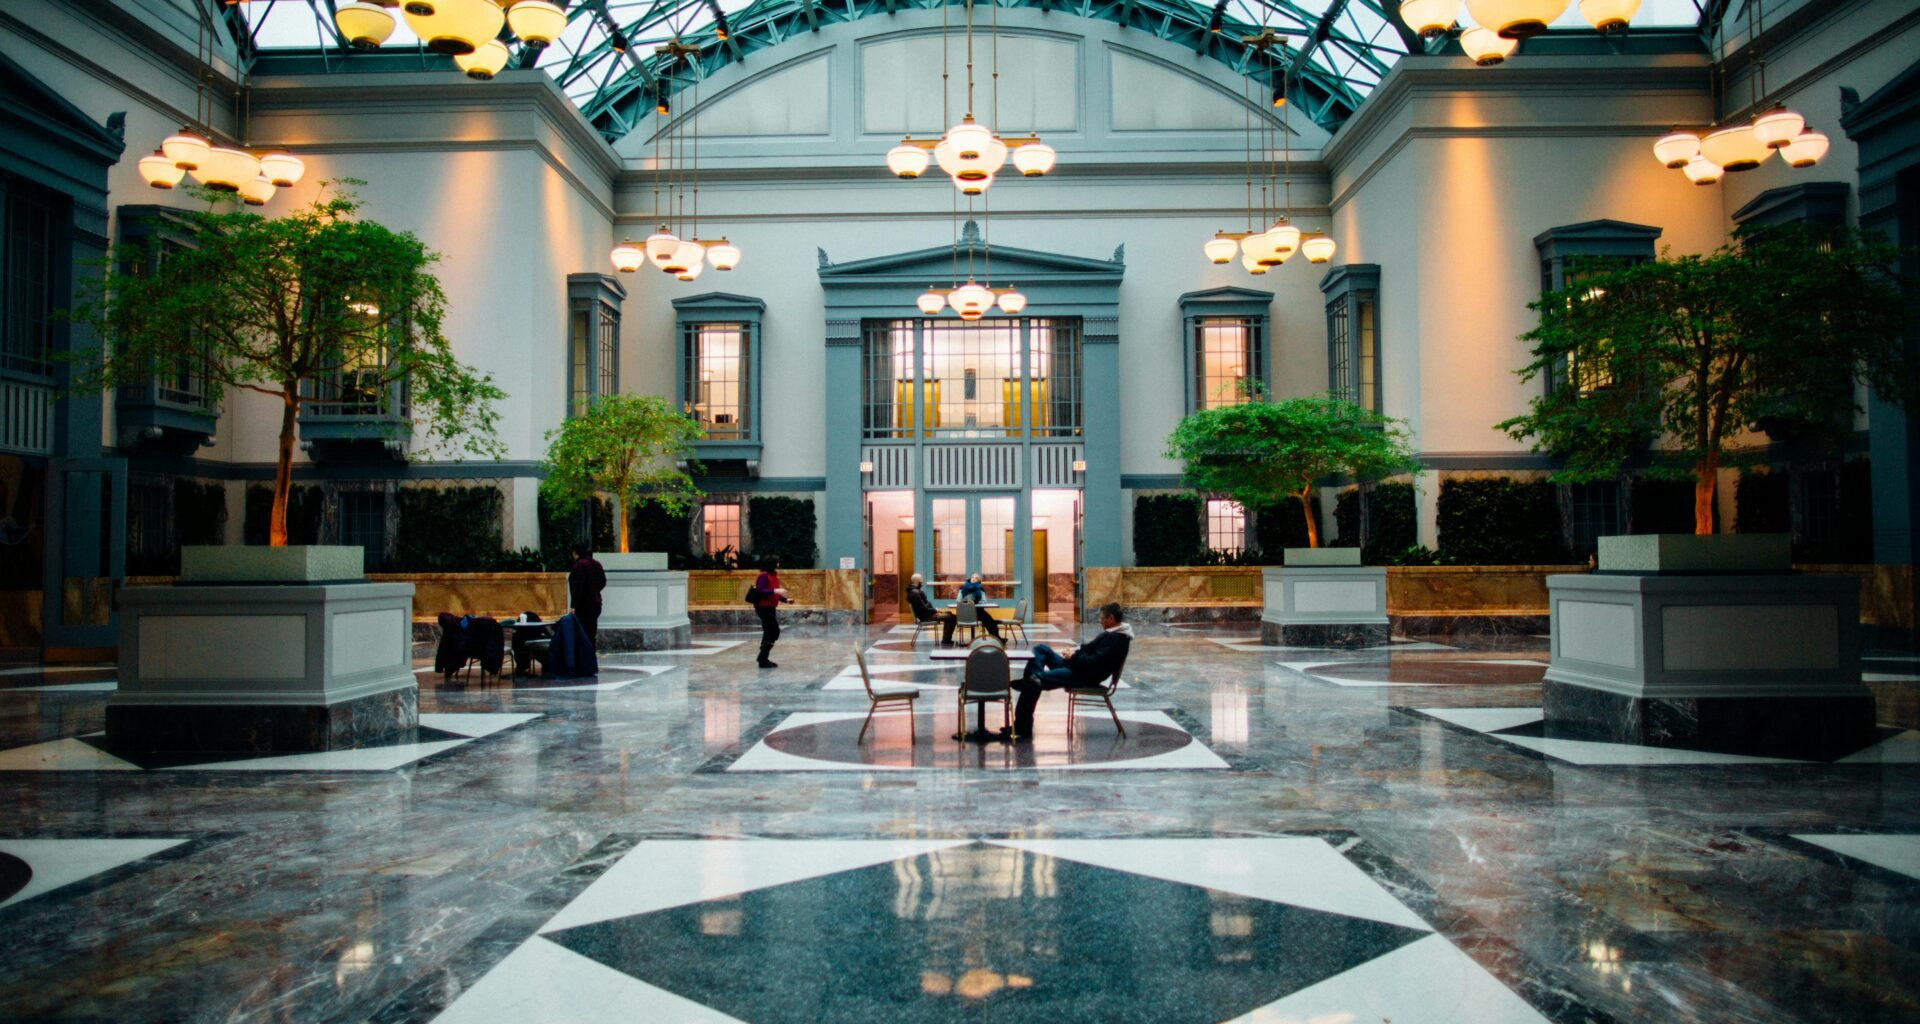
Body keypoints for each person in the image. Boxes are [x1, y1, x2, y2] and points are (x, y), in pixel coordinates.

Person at [1009, 602, 1133, 740]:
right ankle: (1034, 678)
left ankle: (1022, 725)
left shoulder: (1117, 640)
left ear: (1111, 618)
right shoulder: (1113, 634)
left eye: (1102, 618)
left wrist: (1074, 656)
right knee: (1041, 649)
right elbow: (1088, 651)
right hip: (1076, 667)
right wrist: (1074, 653)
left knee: (1034, 683)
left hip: (1083, 676)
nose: (1100, 621)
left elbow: (1094, 664)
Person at [905, 573, 1002, 647]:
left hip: (928, 614)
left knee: (951, 615)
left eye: (976, 578)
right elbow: (924, 608)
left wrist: (934, 610)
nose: (922, 583)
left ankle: (947, 639)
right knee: (952, 617)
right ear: (918, 582)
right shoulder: (915, 593)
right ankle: (946, 640)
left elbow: (983, 602)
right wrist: (935, 610)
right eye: (921, 581)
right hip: (927, 616)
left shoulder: (980, 590)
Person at [753, 556, 792, 668]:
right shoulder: (763, 575)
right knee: (774, 631)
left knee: (769, 631)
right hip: (763, 607)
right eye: (777, 563)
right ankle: (762, 657)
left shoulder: (773, 575)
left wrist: (785, 600)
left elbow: (774, 592)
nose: (778, 565)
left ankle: (763, 658)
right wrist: (776, 590)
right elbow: (760, 591)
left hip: (770, 607)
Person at [567, 542, 606, 646]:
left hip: (584, 606)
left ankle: (585, 658)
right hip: (596, 603)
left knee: (582, 635)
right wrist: (594, 590)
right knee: (591, 633)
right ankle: (590, 658)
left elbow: (577, 588)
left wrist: (573, 605)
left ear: (575, 553)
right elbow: (603, 582)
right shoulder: (597, 564)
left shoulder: (578, 566)